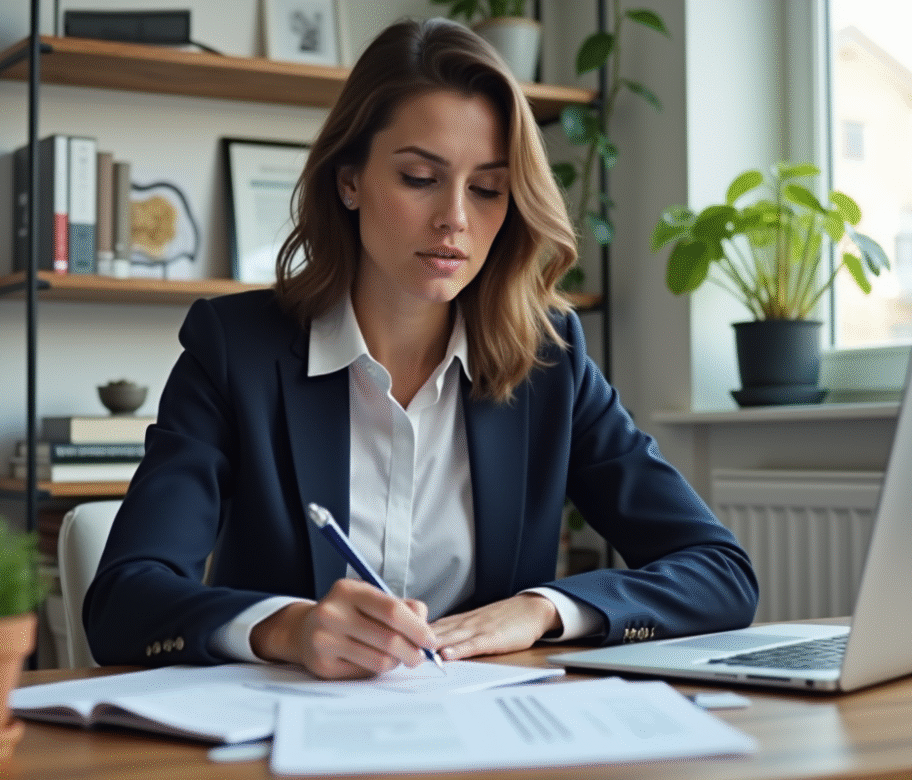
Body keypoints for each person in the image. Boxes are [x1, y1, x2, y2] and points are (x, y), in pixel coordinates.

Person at [83, 17, 758, 679]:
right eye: (419, 177)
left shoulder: (550, 359)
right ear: (349, 180)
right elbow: (123, 601)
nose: (456, 220)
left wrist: (543, 609)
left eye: (488, 189)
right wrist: (289, 628)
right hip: (282, 732)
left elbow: (720, 572)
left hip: (486, 733)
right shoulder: (235, 350)